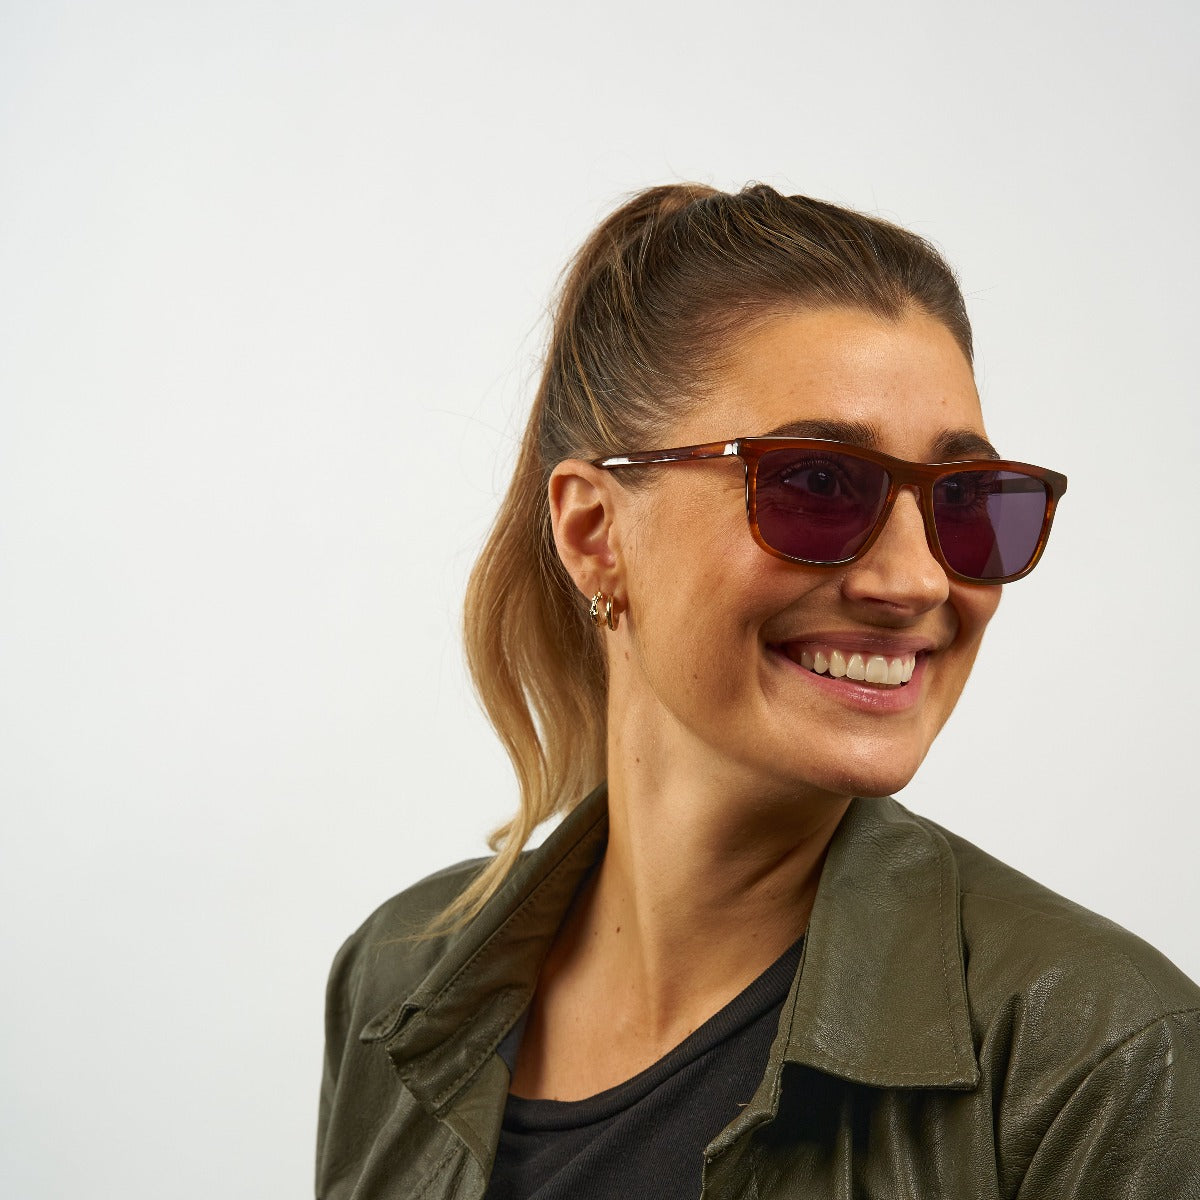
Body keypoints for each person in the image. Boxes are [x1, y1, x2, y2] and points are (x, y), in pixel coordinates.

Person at [315, 183, 1200, 1199]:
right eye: (817, 483)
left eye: (964, 501)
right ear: (595, 535)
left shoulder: (1104, 1062)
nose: (916, 581)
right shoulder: (397, 982)